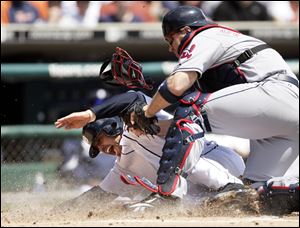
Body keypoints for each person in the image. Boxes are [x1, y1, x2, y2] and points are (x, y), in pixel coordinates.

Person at [136, 5, 298, 205]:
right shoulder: (220, 45)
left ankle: (166, 195)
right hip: (283, 116)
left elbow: (176, 87)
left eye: (171, 39)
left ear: (186, 31)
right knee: (253, 198)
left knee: (191, 105)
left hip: (274, 93)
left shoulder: (204, 36)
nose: (171, 48)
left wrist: (147, 111)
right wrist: (153, 128)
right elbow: (186, 124)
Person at [55, 91, 246, 203]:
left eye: (99, 141)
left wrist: (90, 115)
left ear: (111, 126)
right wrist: (61, 211)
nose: (102, 149)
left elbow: (133, 97)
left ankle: (231, 186)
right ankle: (232, 198)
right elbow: (103, 193)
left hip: (217, 162)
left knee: (143, 137)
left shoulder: (137, 125)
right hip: (200, 188)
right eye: (97, 147)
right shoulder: (124, 164)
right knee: (154, 206)